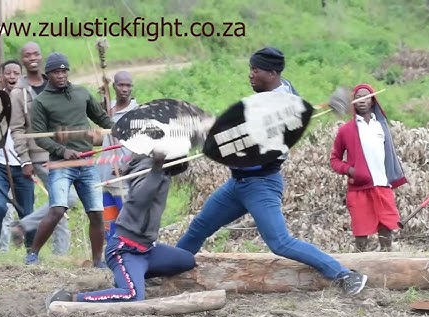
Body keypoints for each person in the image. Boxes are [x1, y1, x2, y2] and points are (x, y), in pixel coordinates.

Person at [175, 47, 368, 296]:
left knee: (280, 242)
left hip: (261, 184)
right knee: (199, 227)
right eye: (251, 70)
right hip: (238, 183)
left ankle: (344, 275)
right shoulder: (277, 93)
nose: (250, 75)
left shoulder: (282, 105)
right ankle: (167, 271)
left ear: (272, 72)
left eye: (255, 70)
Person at [46, 150, 196, 304]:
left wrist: (175, 160)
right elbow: (141, 200)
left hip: (148, 249)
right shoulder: (147, 172)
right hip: (125, 250)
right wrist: (157, 168)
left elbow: (178, 166)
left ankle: (133, 276)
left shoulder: (160, 172)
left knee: (187, 261)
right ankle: (72, 298)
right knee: (133, 295)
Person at [25, 52, 112, 267]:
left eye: (64, 71)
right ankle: (33, 254)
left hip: (87, 162)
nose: (61, 75)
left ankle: (97, 261)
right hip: (61, 164)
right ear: (48, 75)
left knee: (96, 214)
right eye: (56, 72)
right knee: (57, 210)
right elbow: (40, 138)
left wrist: (116, 129)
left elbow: (101, 117)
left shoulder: (82, 93)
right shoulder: (40, 103)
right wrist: (62, 151)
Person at [7, 42, 76, 256]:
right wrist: (25, 160)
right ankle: (24, 225)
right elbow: (17, 128)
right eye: (27, 55)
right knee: (67, 199)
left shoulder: (54, 83)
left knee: (60, 207)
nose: (32, 58)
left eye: (36, 53)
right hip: (40, 156)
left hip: (63, 152)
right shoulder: (19, 92)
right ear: (23, 60)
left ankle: (60, 256)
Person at [330, 84, 406, 252]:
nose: (362, 100)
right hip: (359, 188)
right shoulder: (346, 130)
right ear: (353, 103)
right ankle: (360, 267)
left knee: (387, 227)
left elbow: (390, 155)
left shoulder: (381, 126)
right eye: (358, 97)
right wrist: (349, 170)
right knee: (361, 233)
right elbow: (334, 159)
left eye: (366, 96)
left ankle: (387, 263)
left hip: (382, 185)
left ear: (373, 101)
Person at [0, 60, 33, 250]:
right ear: (0, 77)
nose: (12, 77)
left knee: (27, 213)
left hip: (23, 163)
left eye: (16, 73)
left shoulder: (28, 100)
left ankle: (31, 252)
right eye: (8, 73)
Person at [97, 70, 137, 239]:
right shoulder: (108, 108)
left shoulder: (138, 112)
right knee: (108, 223)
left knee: (127, 222)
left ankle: (131, 254)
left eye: (128, 85)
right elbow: (101, 136)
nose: (125, 89)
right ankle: (112, 255)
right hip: (105, 175)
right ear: (113, 86)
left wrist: (126, 166)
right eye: (121, 85)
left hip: (124, 176)